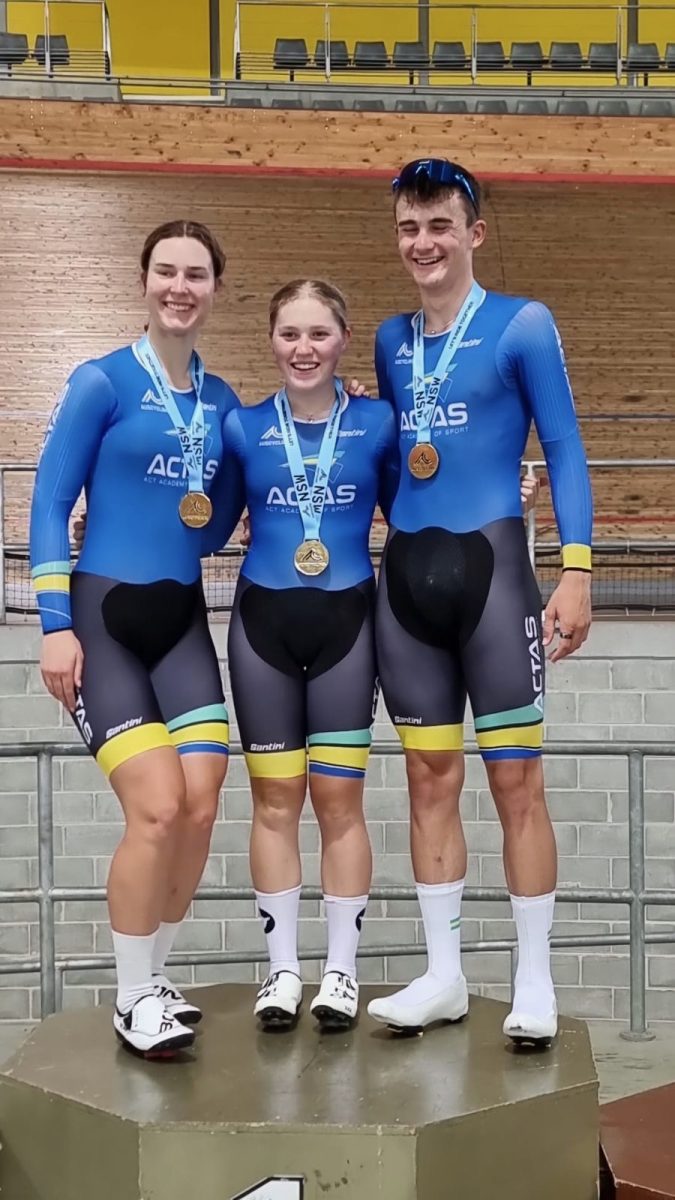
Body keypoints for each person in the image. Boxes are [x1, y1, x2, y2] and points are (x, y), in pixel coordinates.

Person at [366, 159, 593, 1046]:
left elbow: (566, 447)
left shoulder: (521, 325)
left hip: (497, 575)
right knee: (428, 779)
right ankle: (443, 975)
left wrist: (575, 568)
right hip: (407, 583)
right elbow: (395, 462)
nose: (423, 243)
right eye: (409, 228)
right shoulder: (388, 340)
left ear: (473, 234)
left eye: (439, 226)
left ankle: (531, 982)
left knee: (515, 783)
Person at [29, 220, 241, 1059]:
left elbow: (218, 518)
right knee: (154, 808)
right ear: (144, 281)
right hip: (103, 619)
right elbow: (49, 503)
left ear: (215, 288)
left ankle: (155, 977)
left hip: (181, 618)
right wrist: (53, 626)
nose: (179, 287)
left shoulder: (220, 401)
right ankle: (130, 997)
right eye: (165, 272)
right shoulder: (101, 383)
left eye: (195, 274)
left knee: (199, 803)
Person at [204, 279, 399, 1030]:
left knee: (339, 803)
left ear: (343, 339)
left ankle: (340, 975)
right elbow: (211, 522)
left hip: (350, 621)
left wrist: (517, 506)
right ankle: (282, 970)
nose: (303, 348)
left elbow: (411, 513)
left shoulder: (377, 422)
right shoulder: (241, 427)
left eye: (318, 334)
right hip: (261, 627)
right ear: (271, 339)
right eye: (289, 333)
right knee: (274, 802)